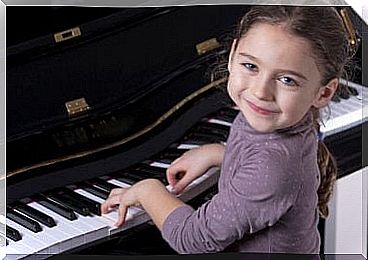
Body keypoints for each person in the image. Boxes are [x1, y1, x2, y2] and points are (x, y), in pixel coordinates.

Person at [101, 6, 350, 254]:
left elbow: (193, 239)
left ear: (324, 92)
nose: (260, 91)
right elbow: (262, 158)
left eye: (287, 80)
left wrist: (147, 189)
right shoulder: (276, 124)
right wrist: (218, 153)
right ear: (233, 55)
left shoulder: (274, 166)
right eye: (251, 66)